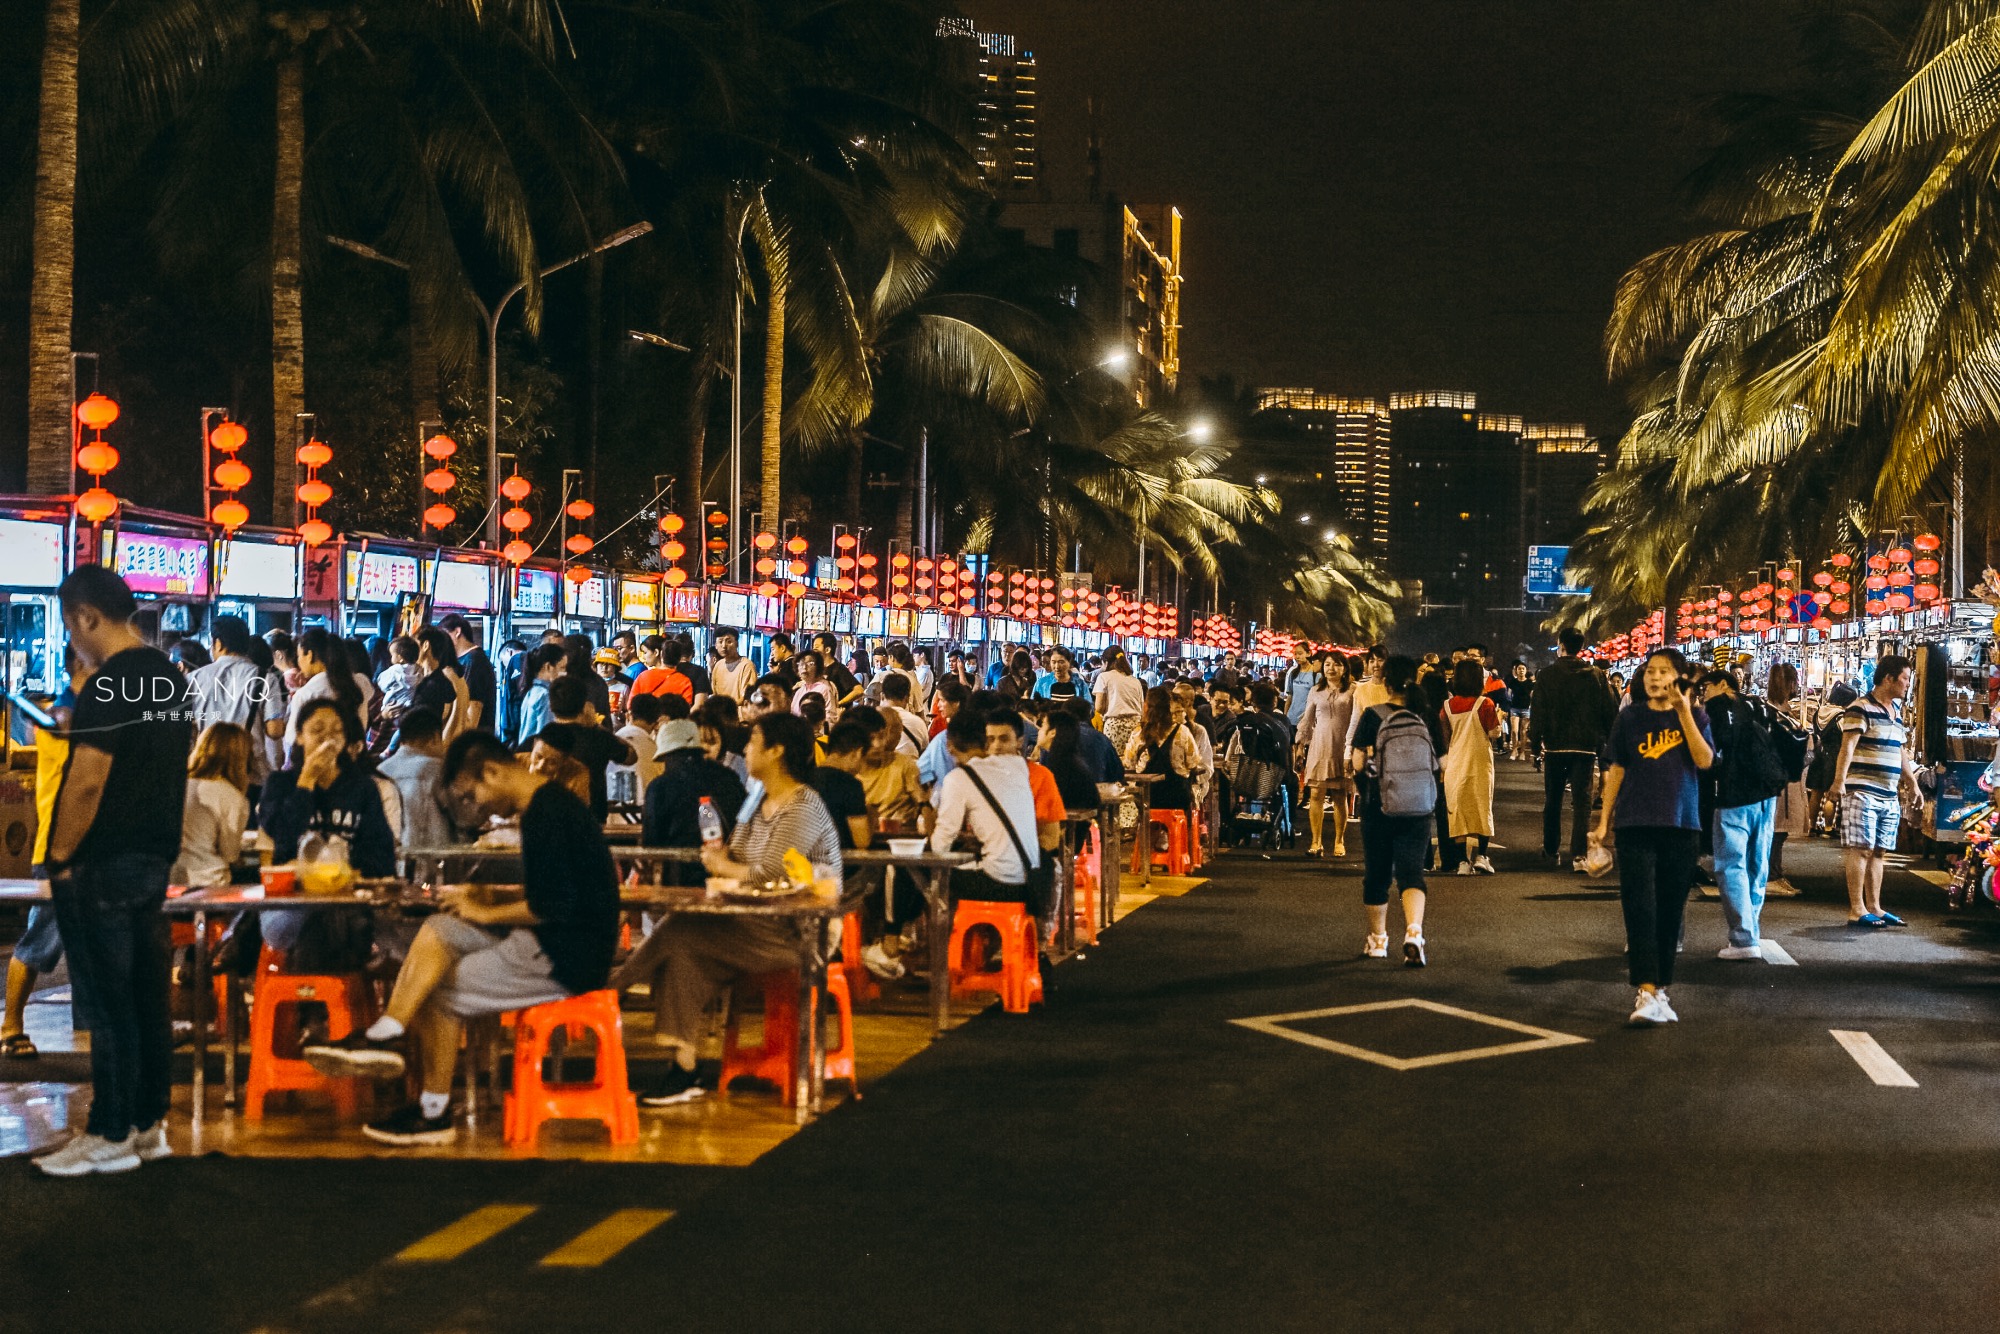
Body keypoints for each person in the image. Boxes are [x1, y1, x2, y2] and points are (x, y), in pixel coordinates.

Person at [304, 732, 620, 1143]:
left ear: (492, 772)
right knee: (440, 930)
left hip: (567, 956)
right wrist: (485, 896)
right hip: (554, 942)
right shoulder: (547, 805)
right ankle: (387, 1032)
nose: (477, 808)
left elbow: (554, 906)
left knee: (438, 990)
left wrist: (485, 910)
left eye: (472, 796)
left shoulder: (548, 813)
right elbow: (556, 892)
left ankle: (433, 1113)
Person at [34, 567, 194, 1176]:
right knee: (146, 997)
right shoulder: (168, 680)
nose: (75, 639)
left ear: (85, 617)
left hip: (104, 861)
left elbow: (89, 780)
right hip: (155, 856)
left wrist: (61, 855)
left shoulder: (110, 682)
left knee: (107, 1002)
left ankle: (110, 1131)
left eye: (72, 626)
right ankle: (149, 1124)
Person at [615, 713, 842, 1105]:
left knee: (681, 929)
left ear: (777, 751)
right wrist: (725, 863)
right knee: (683, 951)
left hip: (798, 931)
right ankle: (685, 1070)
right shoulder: (757, 798)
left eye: (753, 741)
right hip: (752, 918)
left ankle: (612, 987)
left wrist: (724, 866)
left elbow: (769, 870)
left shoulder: (804, 805)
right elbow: (736, 852)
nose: (746, 749)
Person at [1593, 648, 1715, 1026]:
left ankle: (1660, 988)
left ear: (1678, 678)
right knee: (1639, 906)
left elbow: (1704, 760)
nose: (1654, 677)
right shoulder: (1630, 716)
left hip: (1682, 826)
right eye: (1650, 671)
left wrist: (1683, 711)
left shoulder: (1695, 716)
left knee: (1668, 909)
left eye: (1663, 671)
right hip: (1635, 825)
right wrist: (1603, 823)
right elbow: (1617, 769)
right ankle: (1645, 990)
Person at [257, 699, 399, 960]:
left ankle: (316, 991)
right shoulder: (279, 784)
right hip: (291, 903)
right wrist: (307, 781)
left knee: (341, 921)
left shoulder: (362, 789)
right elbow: (281, 838)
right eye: (318, 730)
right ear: (299, 736)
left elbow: (381, 857)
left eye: (336, 731)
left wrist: (333, 874)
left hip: (350, 900)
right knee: (302, 925)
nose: (328, 739)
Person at [1348, 655, 1438, 965]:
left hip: (1378, 805)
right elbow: (1442, 762)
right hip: (1419, 807)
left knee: (1377, 874)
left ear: (1385, 682)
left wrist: (1365, 787)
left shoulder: (1373, 716)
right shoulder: (1426, 715)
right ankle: (1414, 931)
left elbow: (1358, 762)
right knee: (1412, 873)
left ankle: (1378, 941)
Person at [1825, 655, 1921, 928]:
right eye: (1904, 679)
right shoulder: (1859, 708)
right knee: (1861, 849)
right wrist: (1838, 782)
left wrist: (1912, 782)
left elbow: (1900, 750)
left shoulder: (1896, 712)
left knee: (1879, 851)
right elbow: (1848, 747)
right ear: (1888, 678)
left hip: (1888, 793)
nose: (1906, 685)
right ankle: (1857, 908)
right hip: (1862, 791)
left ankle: (1875, 907)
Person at [1701, 670, 1789, 960]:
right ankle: (1751, 930)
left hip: (1734, 793)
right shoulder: (1757, 705)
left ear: (1723, 685)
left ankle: (1743, 938)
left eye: (1706, 686)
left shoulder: (1715, 708)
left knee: (1731, 864)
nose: (1703, 692)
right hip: (1766, 793)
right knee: (1756, 864)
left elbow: (1713, 751)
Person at [931, 709, 1042, 908]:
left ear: (949, 746)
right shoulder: (1018, 765)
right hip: (1033, 880)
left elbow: (942, 843)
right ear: (985, 741)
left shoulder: (958, 778)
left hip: (1000, 882)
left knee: (920, 876)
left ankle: (916, 937)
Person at [1529, 628, 1618, 869]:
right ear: (1580, 647)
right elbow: (1609, 710)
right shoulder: (1596, 675)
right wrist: (1607, 743)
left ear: (1561, 645)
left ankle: (1551, 850)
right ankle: (1578, 855)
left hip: (1556, 745)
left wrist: (1535, 745)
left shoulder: (1547, 675)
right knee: (1582, 803)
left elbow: (1537, 712)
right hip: (1585, 747)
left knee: (1553, 800)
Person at [641, 716, 749, 885]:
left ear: (667, 755)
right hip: (729, 873)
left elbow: (652, 842)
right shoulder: (729, 777)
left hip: (679, 879)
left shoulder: (659, 787)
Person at [532, 676, 638, 823]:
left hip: (546, 817)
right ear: (584, 705)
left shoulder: (540, 740)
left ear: (550, 705)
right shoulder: (599, 737)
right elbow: (631, 756)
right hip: (592, 819)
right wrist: (595, 725)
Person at [1440, 659, 1501, 874]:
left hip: (1455, 763)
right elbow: (1494, 733)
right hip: (1480, 762)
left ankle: (1462, 863)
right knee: (1482, 806)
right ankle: (1482, 856)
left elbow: (1444, 737)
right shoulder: (1485, 704)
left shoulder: (1447, 706)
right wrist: (1499, 719)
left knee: (1457, 812)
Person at [176, 723, 252, 890]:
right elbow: (230, 854)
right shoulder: (232, 796)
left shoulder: (177, 786)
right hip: (209, 882)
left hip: (171, 880)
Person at [1295, 652, 1356, 858]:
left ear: (1344, 669)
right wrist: (1299, 744)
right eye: (1327, 664)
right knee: (1315, 794)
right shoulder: (1315, 690)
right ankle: (1316, 841)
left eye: (1336, 665)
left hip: (1342, 746)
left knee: (1340, 796)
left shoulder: (1353, 691)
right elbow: (1307, 719)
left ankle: (1339, 841)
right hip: (1319, 746)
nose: (1331, 668)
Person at [1764, 662, 1812, 892]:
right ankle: (1772, 876)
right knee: (1776, 828)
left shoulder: (1776, 713)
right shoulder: (1776, 716)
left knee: (1778, 830)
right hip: (1780, 780)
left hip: (1781, 779)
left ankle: (1775, 873)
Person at [1125, 685, 1200, 832]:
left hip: (1147, 799)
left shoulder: (1138, 733)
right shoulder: (1182, 732)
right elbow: (1193, 762)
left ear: (1146, 707)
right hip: (1176, 797)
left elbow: (1128, 762)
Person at [378, 706, 451, 852]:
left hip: (391, 862)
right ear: (435, 738)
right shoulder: (438, 770)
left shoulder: (381, 771)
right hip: (435, 862)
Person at [408, 627, 473, 743]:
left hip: (439, 750)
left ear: (425, 645)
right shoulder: (455, 676)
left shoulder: (440, 680)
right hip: (453, 749)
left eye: (414, 644)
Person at [439, 613, 496, 734]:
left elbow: (474, 707)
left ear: (457, 632)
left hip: (474, 741)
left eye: (444, 635)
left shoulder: (474, 660)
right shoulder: (465, 660)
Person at [1094, 649, 1147, 758]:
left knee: (1115, 762)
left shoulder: (1104, 677)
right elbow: (1142, 707)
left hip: (1114, 726)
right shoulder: (1135, 680)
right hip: (1135, 726)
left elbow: (1099, 707)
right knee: (1132, 760)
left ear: (1106, 662)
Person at [1064, 695, 1126, 786]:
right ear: (1089, 715)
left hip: (1061, 796)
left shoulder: (1053, 738)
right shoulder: (1101, 739)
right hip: (1096, 795)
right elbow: (1117, 772)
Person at [513, 643, 566, 748]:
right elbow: (546, 736)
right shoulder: (544, 696)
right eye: (562, 668)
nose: (565, 673)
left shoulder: (532, 691)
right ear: (548, 667)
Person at [618, 693, 666, 796]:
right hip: (644, 809)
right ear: (656, 722)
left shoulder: (615, 739)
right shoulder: (655, 751)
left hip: (612, 809)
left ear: (629, 714)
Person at [876, 672, 930, 756]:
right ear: (907, 698)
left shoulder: (871, 720)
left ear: (882, 696)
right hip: (911, 768)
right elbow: (924, 750)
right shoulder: (918, 722)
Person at [374, 637, 423, 716]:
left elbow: (381, 683)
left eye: (392, 655)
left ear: (400, 658)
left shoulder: (395, 670)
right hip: (408, 705)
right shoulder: (418, 670)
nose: (390, 658)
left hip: (392, 705)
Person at [709, 629, 757, 703]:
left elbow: (747, 697)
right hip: (720, 713)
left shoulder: (746, 665)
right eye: (720, 642)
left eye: (729, 642)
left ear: (737, 644)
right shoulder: (718, 665)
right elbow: (715, 693)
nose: (724, 646)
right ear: (716, 645)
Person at [1505, 660, 1535, 761]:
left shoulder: (1530, 683)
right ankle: (1514, 750)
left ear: (1526, 670)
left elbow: (1532, 696)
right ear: (1516, 671)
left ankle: (1522, 751)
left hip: (1526, 709)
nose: (1521, 670)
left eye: (1523, 669)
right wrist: (1508, 704)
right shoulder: (1513, 682)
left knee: (1523, 732)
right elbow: (1508, 694)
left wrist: (1532, 706)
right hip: (1514, 708)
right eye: (1519, 669)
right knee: (1514, 731)